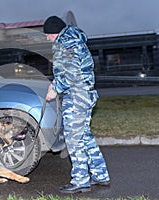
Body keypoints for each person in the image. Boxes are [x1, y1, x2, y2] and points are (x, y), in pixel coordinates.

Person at [43, 16, 110, 194]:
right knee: (84, 136)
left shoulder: (67, 44)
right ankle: (100, 174)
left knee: (74, 139)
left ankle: (80, 181)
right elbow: (70, 70)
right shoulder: (72, 41)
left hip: (77, 96)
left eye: (48, 34)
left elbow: (71, 75)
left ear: (54, 32)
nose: (47, 38)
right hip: (83, 94)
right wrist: (55, 82)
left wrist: (55, 89)